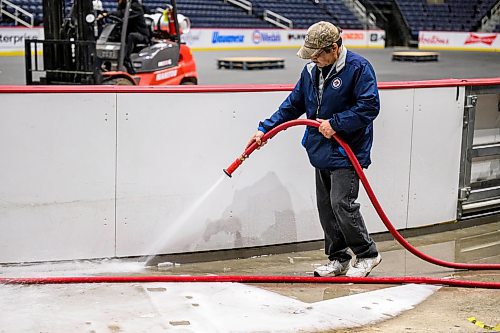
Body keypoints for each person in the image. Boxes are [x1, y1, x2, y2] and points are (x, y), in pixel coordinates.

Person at [246, 21, 381, 277]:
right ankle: (338, 258)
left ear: (334, 48)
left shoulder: (358, 68)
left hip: (347, 151)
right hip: (320, 151)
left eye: (318, 53)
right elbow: (292, 105)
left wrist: (336, 124)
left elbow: (369, 106)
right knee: (327, 208)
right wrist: (265, 128)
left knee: (342, 203)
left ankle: (367, 254)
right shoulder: (311, 71)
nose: (313, 58)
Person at [100, 0, 150, 73]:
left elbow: (123, 14)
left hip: (142, 35)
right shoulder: (122, 6)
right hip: (128, 33)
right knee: (113, 37)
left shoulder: (135, 6)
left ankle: (126, 60)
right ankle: (108, 62)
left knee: (131, 36)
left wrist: (108, 14)